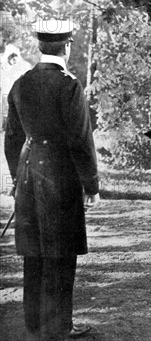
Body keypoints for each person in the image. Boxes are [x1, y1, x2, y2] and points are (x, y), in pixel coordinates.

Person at [4, 18, 99, 340]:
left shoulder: (21, 83)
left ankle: (34, 323)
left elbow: (12, 138)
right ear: (67, 46)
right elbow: (80, 139)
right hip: (60, 174)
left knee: (34, 252)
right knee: (61, 251)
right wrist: (91, 185)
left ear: (40, 45)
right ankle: (59, 326)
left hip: (29, 173)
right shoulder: (69, 84)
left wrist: (17, 176)